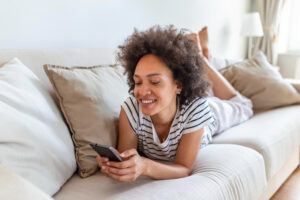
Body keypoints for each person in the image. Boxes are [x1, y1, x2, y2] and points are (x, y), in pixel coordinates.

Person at [96, 25, 253, 182]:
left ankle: (202, 59)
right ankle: (201, 58)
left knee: (243, 106)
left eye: (155, 82)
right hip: (178, 100)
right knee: (206, 91)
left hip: (208, 113)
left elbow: (183, 168)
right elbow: (127, 160)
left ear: (178, 84)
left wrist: (145, 166)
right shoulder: (131, 110)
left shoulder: (197, 109)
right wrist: (114, 165)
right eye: (138, 82)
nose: (142, 92)